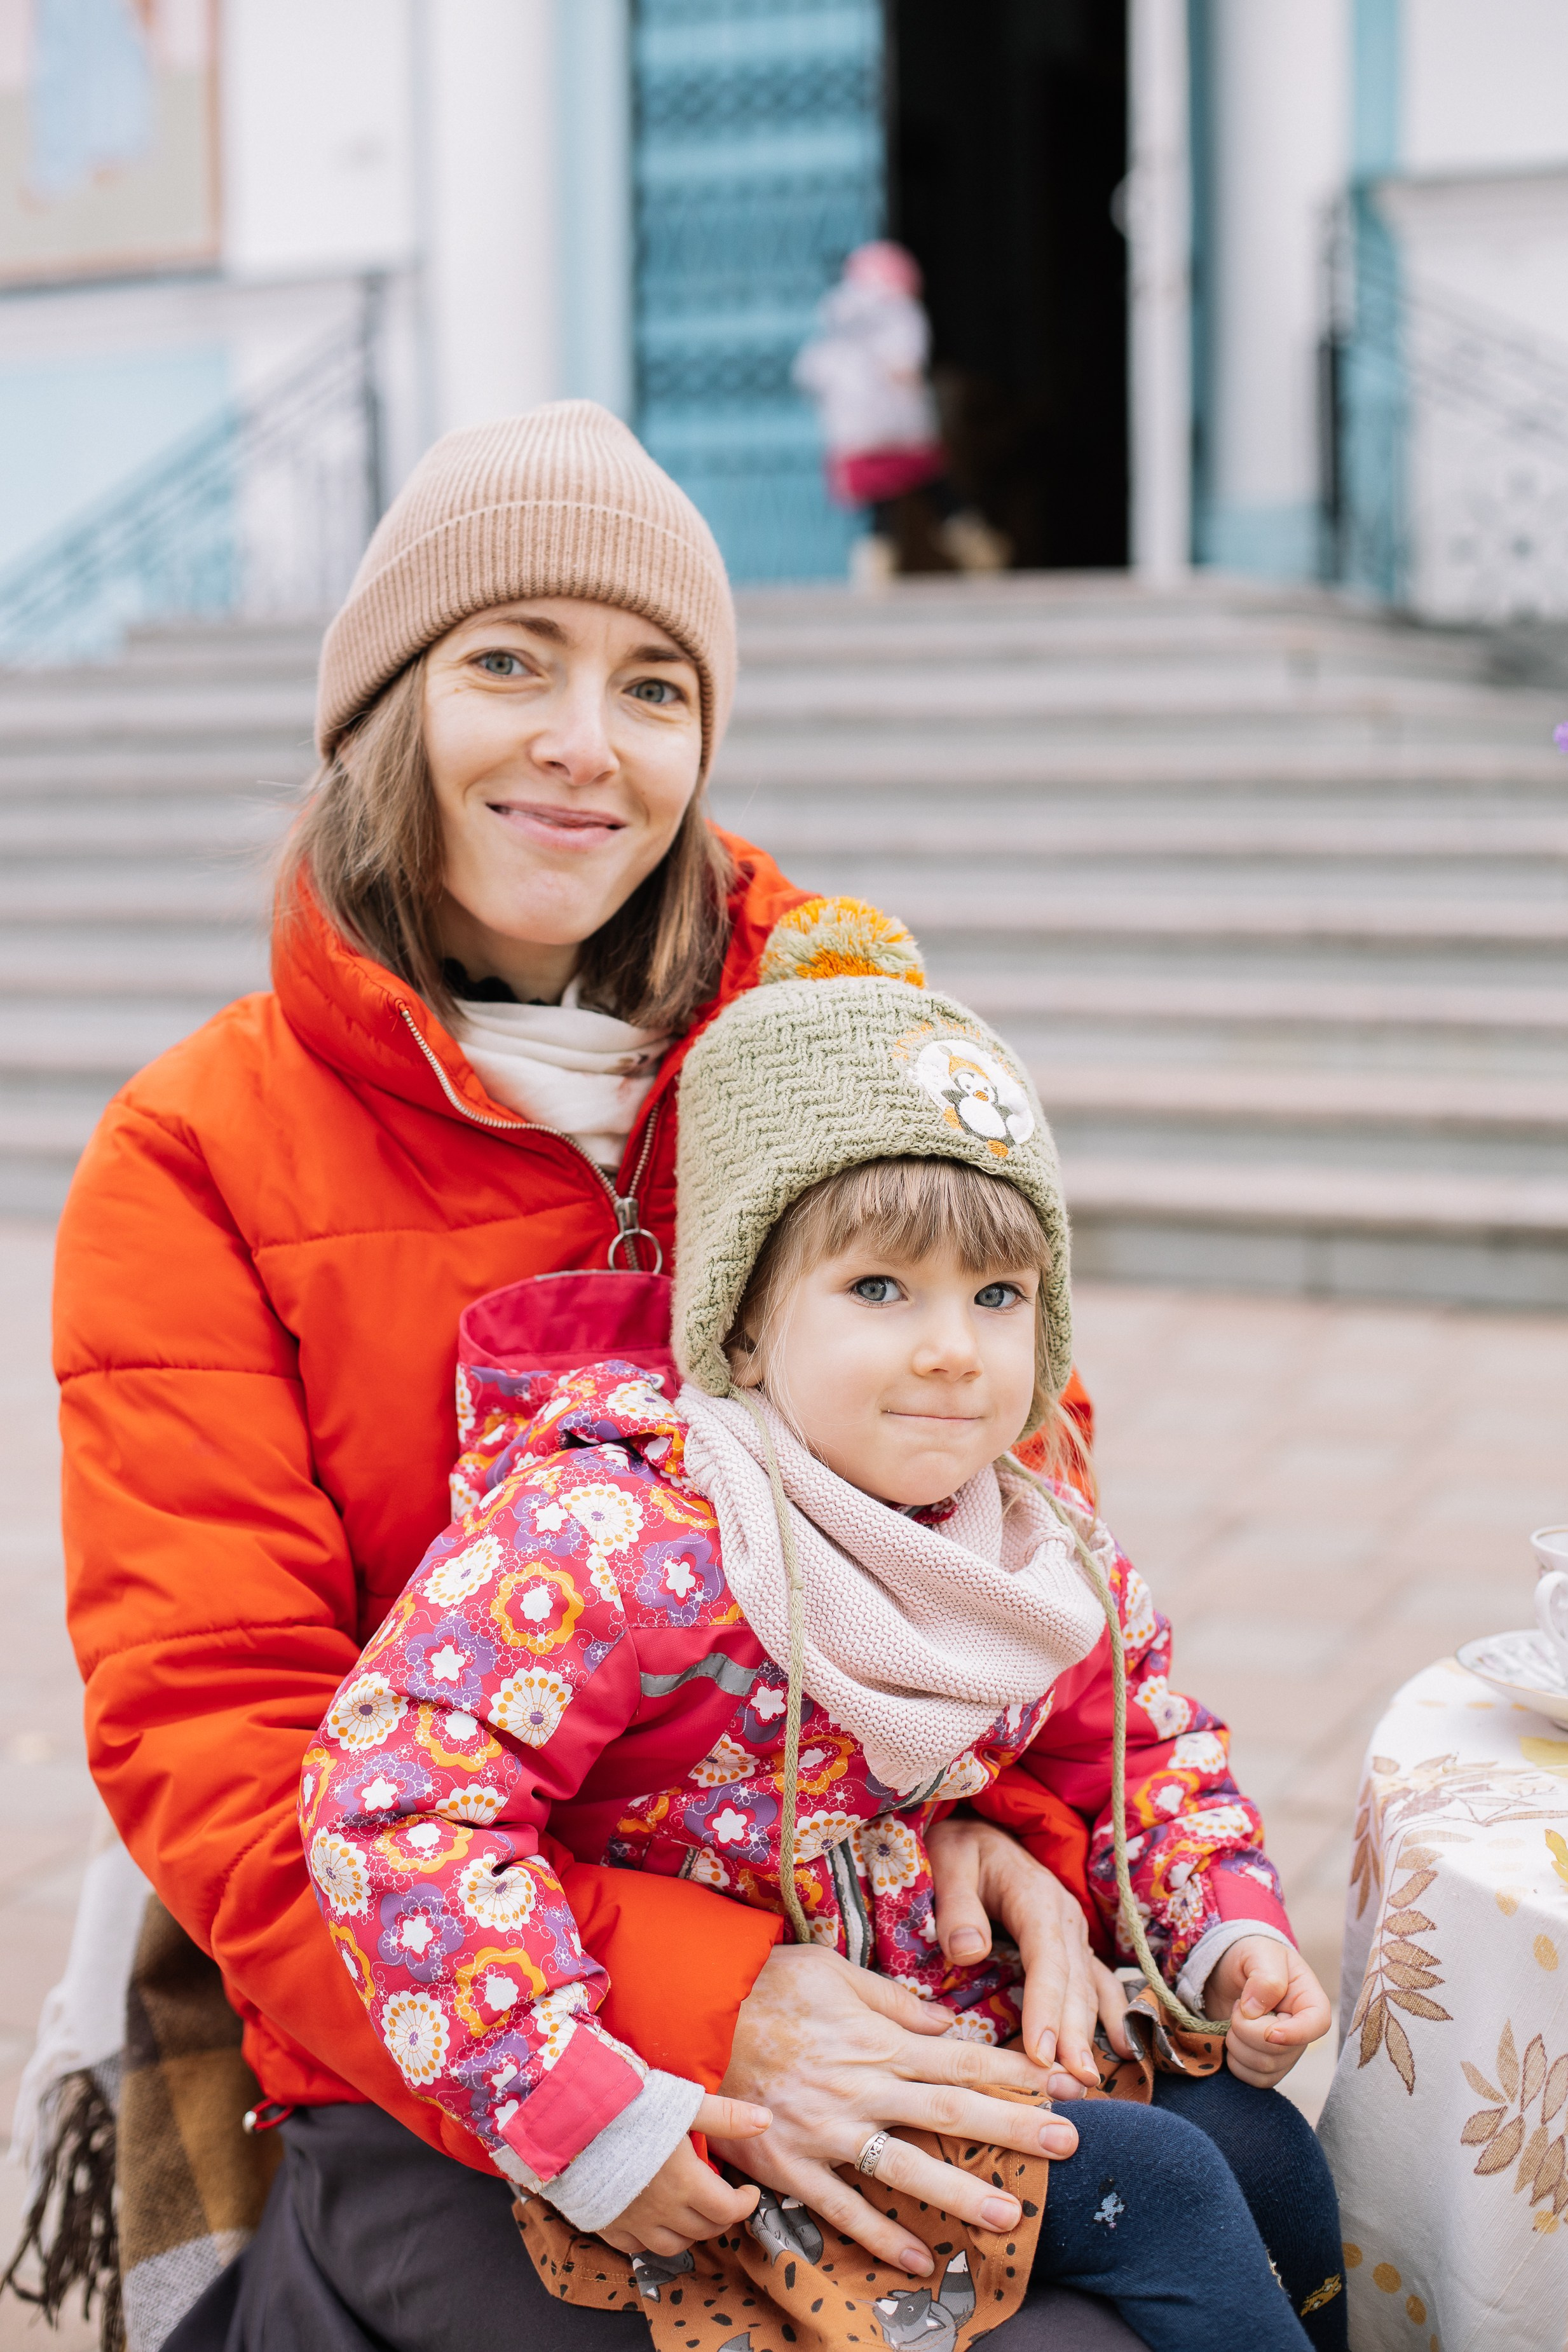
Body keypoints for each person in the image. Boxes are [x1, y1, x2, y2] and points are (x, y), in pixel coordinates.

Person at [46, 400, 1108, 2349]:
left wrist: (1001, 1819)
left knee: (1210, 2227)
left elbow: (1013, 1477)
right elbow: (219, 1743)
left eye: (651, 685)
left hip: (869, 1930)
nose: (582, 745)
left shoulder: (825, 1039)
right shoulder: (195, 1157)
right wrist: (710, 1994)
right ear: (388, 710)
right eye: (506, 663)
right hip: (438, 2025)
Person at [297, 974, 1346, 2352]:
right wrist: (578, 2102)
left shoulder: (1032, 1550)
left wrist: (1226, 1926)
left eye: (998, 1292)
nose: (951, 1348)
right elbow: (391, 1801)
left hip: (924, 1998)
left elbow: (1144, 1748)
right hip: (700, 2071)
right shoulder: (613, 1543)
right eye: (876, 1286)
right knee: (1165, 2186)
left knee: (1259, 2135)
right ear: (740, 1321)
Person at [793, 240, 1010, 587]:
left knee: (878, 506)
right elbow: (906, 368)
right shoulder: (899, 313)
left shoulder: (835, 317)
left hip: (854, 431)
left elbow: (810, 374)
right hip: (900, 426)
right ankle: (981, 554)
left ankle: (873, 575)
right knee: (938, 490)